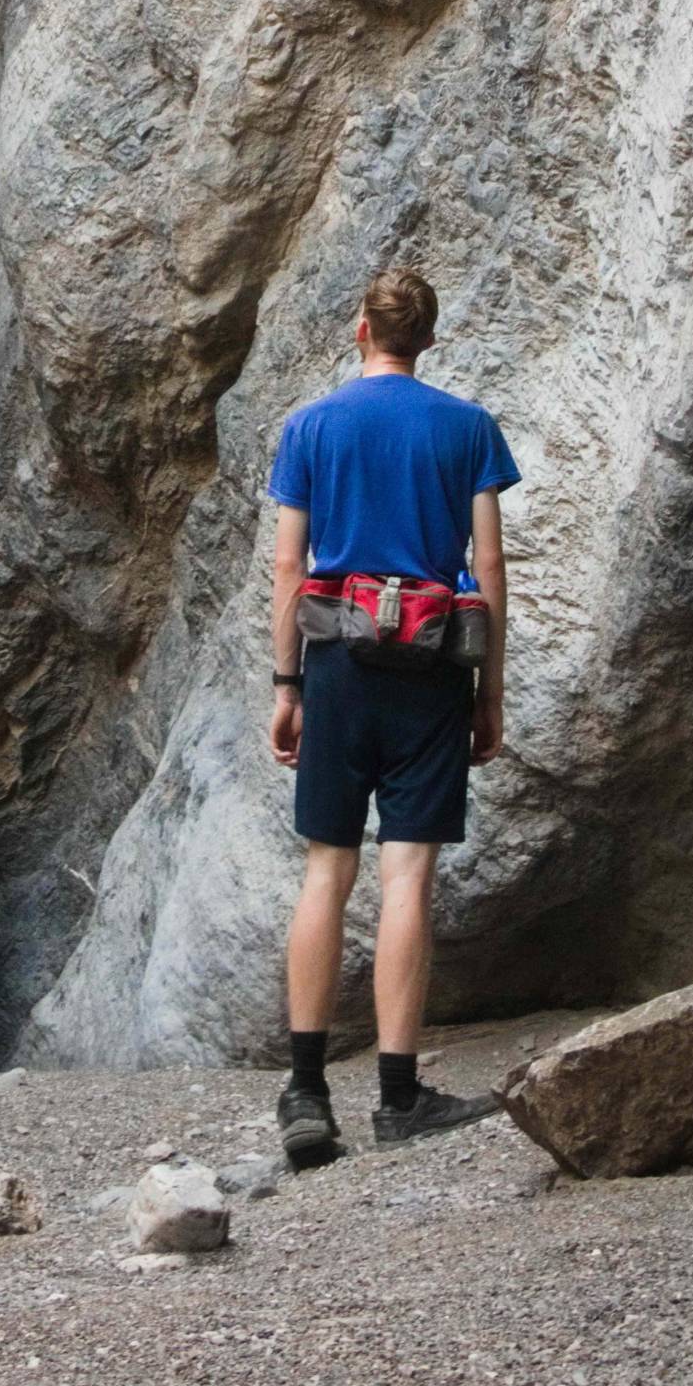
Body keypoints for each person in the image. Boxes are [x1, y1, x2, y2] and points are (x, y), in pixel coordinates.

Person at [266, 264, 519, 1167]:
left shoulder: (311, 426)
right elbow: (486, 571)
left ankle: (304, 1092)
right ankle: (399, 1096)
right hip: (429, 669)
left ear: (359, 330)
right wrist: (487, 695)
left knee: (325, 871)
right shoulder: (467, 428)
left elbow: (290, 571)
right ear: (428, 337)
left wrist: (286, 686)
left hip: (335, 664)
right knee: (406, 875)